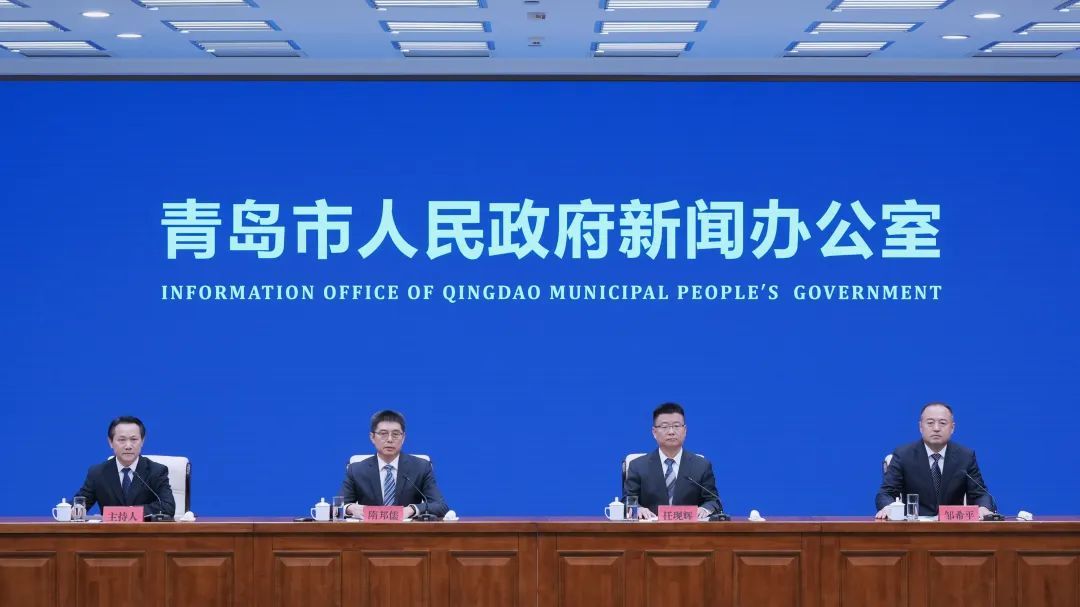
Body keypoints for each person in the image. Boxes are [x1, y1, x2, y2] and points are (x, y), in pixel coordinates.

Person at [875, 402, 994, 519]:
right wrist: (888, 507)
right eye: (930, 423)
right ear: (920, 427)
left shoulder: (965, 456)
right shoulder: (903, 455)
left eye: (942, 423)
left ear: (952, 428)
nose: (936, 428)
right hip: (914, 526)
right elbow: (886, 493)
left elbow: (980, 494)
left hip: (952, 526)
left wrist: (984, 507)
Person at [342, 410, 449, 519]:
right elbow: (336, 507)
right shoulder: (356, 470)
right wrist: (350, 508)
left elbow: (441, 506)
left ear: (403, 437)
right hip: (369, 529)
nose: (389, 440)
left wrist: (411, 509)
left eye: (395, 434)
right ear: (372, 437)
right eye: (383, 434)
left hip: (407, 529)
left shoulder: (421, 467)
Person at [623, 402, 722, 520]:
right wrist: (638, 508)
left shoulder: (701, 466)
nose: (671, 432)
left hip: (689, 529)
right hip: (650, 529)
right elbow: (628, 499)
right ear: (654, 432)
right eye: (664, 427)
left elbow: (713, 500)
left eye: (676, 426)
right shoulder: (638, 466)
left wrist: (704, 509)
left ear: (685, 430)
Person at [74, 416, 175, 518]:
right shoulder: (97, 473)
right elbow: (79, 504)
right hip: (110, 528)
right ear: (110, 442)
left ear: (142, 441)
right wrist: (70, 509)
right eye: (122, 440)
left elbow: (168, 506)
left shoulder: (156, 471)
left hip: (144, 528)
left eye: (134, 439)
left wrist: (130, 512)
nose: (128, 446)